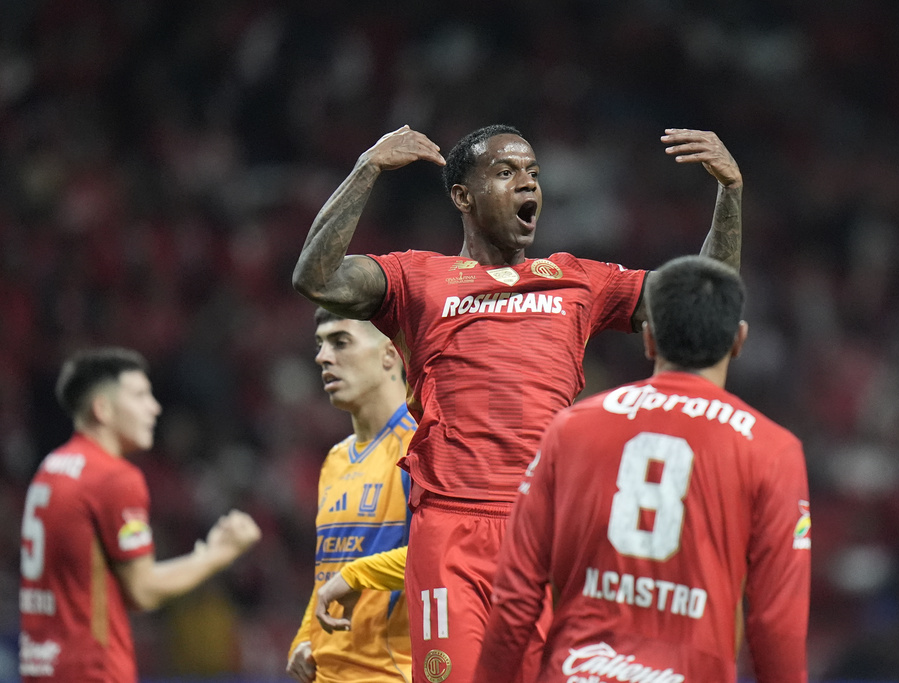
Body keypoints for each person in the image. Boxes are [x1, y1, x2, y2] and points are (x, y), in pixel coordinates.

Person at [292, 123, 743, 683]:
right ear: (463, 197)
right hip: (452, 530)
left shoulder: (579, 281)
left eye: (533, 173)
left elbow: (702, 305)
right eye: (505, 172)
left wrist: (730, 194)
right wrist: (368, 168)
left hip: (548, 531)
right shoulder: (417, 278)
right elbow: (315, 278)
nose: (527, 183)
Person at [473, 255, 810, 683]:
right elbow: (775, 624)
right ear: (738, 341)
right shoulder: (773, 450)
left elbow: (515, 596)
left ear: (649, 339)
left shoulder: (571, 428)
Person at [18, 347, 261, 682]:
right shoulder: (114, 478)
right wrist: (219, 553)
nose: (154, 407)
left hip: (42, 666)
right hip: (93, 670)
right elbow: (143, 591)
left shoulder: (51, 468)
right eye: (139, 397)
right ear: (102, 409)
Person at [286, 308, 416, 683]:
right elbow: (330, 570)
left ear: (389, 354)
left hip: (390, 673)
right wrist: (305, 638)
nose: (322, 357)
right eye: (320, 345)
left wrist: (356, 575)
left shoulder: (421, 446)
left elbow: (442, 555)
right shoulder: (335, 459)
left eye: (340, 342)